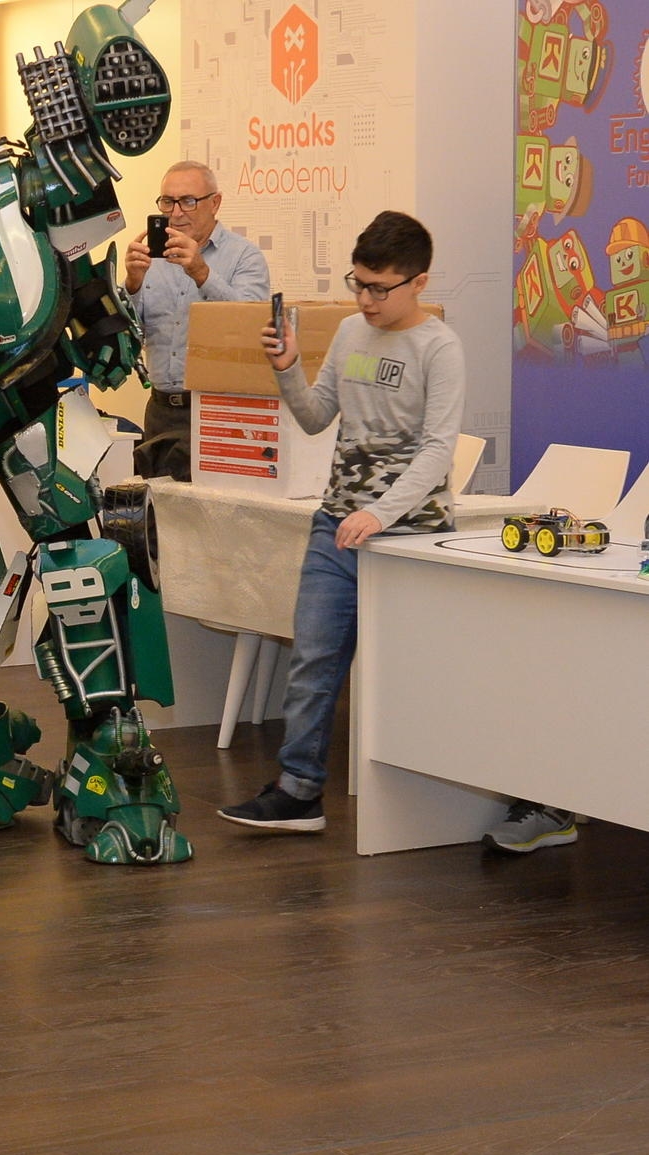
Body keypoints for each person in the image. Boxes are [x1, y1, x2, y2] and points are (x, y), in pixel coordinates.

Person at [217, 211, 464, 833]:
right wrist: (287, 367)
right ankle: (300, 791)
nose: (367, 299)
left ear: (419, 282)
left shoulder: (440, 346)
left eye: (381, 287)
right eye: (359, 283)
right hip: (336, 525)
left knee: (413, 671)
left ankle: (432, 792)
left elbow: (438, 450)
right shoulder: (352, 333)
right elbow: (313, 416)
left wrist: (380, 513)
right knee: (313, 659)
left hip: (412, 536)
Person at [123, 161, 271, 480]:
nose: (176, 213)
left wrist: (202, 274)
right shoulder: (151, 258)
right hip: (160, 411)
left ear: (215, 203)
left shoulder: (245, 257)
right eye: (167, 201)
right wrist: (132, 284)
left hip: (219, 412)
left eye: (188, 201)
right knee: (159, 518)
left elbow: (251, 330)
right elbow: (129, 337)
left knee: (213, 517)